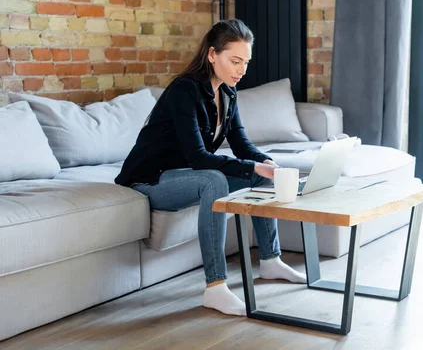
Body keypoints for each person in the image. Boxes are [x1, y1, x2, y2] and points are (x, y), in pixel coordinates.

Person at [115, 19, 306, 316]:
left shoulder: (229, 94)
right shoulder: (184, 91)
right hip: (151, 179)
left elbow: (242, 145)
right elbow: (199, 158)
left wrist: (269, 164)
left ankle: (270, 260)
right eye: (235, 61)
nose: (241, 70)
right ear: (212, 54)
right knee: (214, 180)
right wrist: (253, 168)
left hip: (188, 175)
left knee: (265, 175)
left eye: (245, 62)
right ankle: (215, 287)